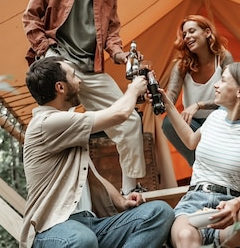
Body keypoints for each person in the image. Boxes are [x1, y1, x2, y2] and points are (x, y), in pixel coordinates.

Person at [22, 0, 145, 195]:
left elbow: (112, 35)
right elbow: (31, 17)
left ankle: (130, 191)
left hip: (91, 68)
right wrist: (47, 51)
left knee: (131, 121)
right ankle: (54, 191)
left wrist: (121, 55)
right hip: (59, 62)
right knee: (59, 127)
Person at [21, 56, 175, 248]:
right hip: (51, 231)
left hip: (89, 224)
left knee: (160, 212)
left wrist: (121, 200)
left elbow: (90, 174)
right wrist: (133, 90)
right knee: (82, 239)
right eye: (74, 76)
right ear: (60, 87)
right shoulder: (46, 123)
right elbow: (119, 114)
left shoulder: (69, 130)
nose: (79, 81)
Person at [162, 62, 240, 248]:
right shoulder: (214, 118)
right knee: (186, 236)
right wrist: (167, 103)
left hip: (232, 208)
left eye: (223, 80)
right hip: (194, 204)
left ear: (239, 92)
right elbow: (190, 140)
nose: (215, 85)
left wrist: (235, 205)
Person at [162, 15, 234, 166]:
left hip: (220, 120)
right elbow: (170, 98)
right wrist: (156, 95)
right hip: (193, 124)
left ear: (207, 32)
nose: (187, 37)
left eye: (192, 31)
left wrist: (198, 105)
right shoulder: (182, 66)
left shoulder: (223, 57)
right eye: (184, 34)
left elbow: (229, 96)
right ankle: (198, 165)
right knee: (168, 123)